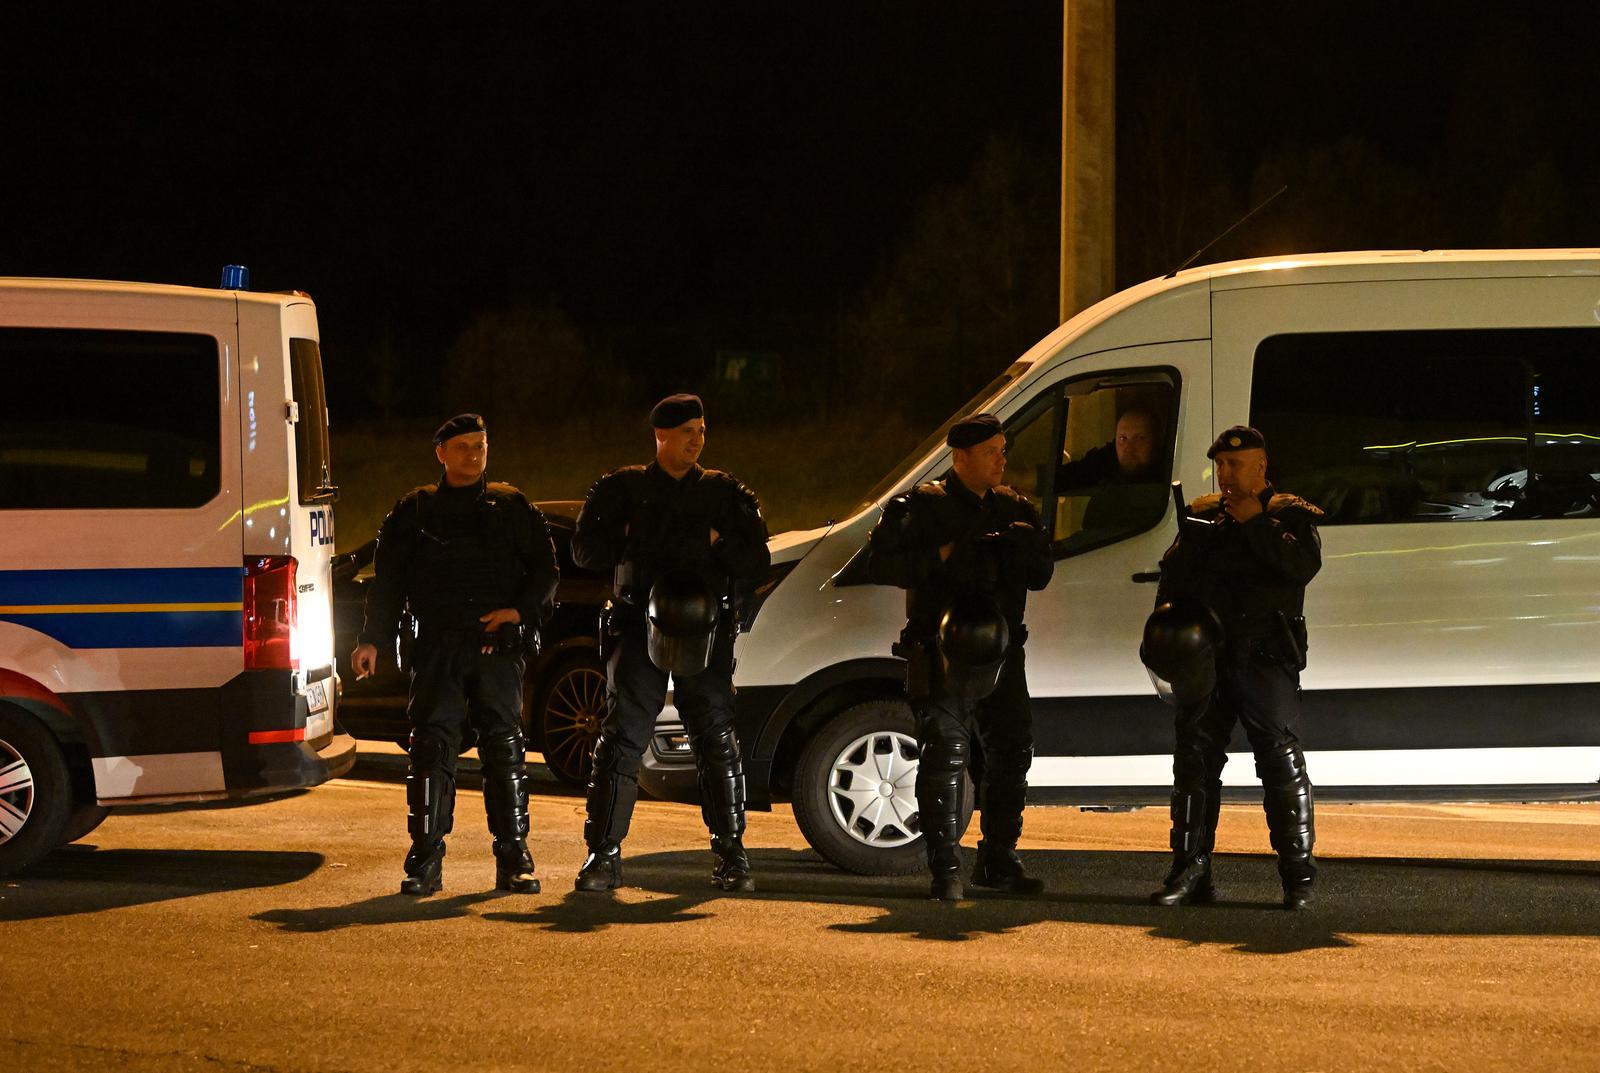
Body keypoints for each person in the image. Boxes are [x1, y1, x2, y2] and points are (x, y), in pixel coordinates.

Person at [570, 394, 771, 893]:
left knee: (716, 737)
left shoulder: (722, 492)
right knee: (622, 741)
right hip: (640, 626)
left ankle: (731, 852)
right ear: (661, 436)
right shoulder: (624, 488)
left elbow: (756, 556)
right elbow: (584, 549)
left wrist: (715, 545)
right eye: (688, 432)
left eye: (702, 430)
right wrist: (641, 539)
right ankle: (604, 854)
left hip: (704, 629)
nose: (698, 440)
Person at [351, 414, 559, 896]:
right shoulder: (414, 511)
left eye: (481, 445)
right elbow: (387, 584)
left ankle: (514, 857)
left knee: (504, 749)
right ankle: (425, 858)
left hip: (494, 647)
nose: (474, 454)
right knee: (431, 749)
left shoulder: (511, 507)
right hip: (436, 645)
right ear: (441, 452)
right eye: (463, 446)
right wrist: (371, 640)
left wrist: (519, 612)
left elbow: (545, 572)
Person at [866, 413, 1054, 901]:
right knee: (946, 755)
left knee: (1012, 751)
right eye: (992, 451)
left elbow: (1041, 574)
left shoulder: (1013, 507)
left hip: (1001, 651)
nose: (1001, 459)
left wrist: (1020, 545)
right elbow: (880, 562)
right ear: (961, 456)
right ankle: (945, 867)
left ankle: (998, 859)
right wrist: (945, 555)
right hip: (942, 651)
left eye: (1003, 449)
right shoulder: (924, 507)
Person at [1146, 425, 1323, 910]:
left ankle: (1298, 877)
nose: (1225, 474)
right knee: (1194, 764)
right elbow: (1174, 580)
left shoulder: (1289, 516)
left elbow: (1299, 567)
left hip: (1266, 658)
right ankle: (1189, 871)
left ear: (1261, 467)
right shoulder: (1205, 515)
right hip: (1210, 658)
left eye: (1235, 465)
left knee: (1281, 765)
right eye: (1221, 465)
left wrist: (1254, 524)